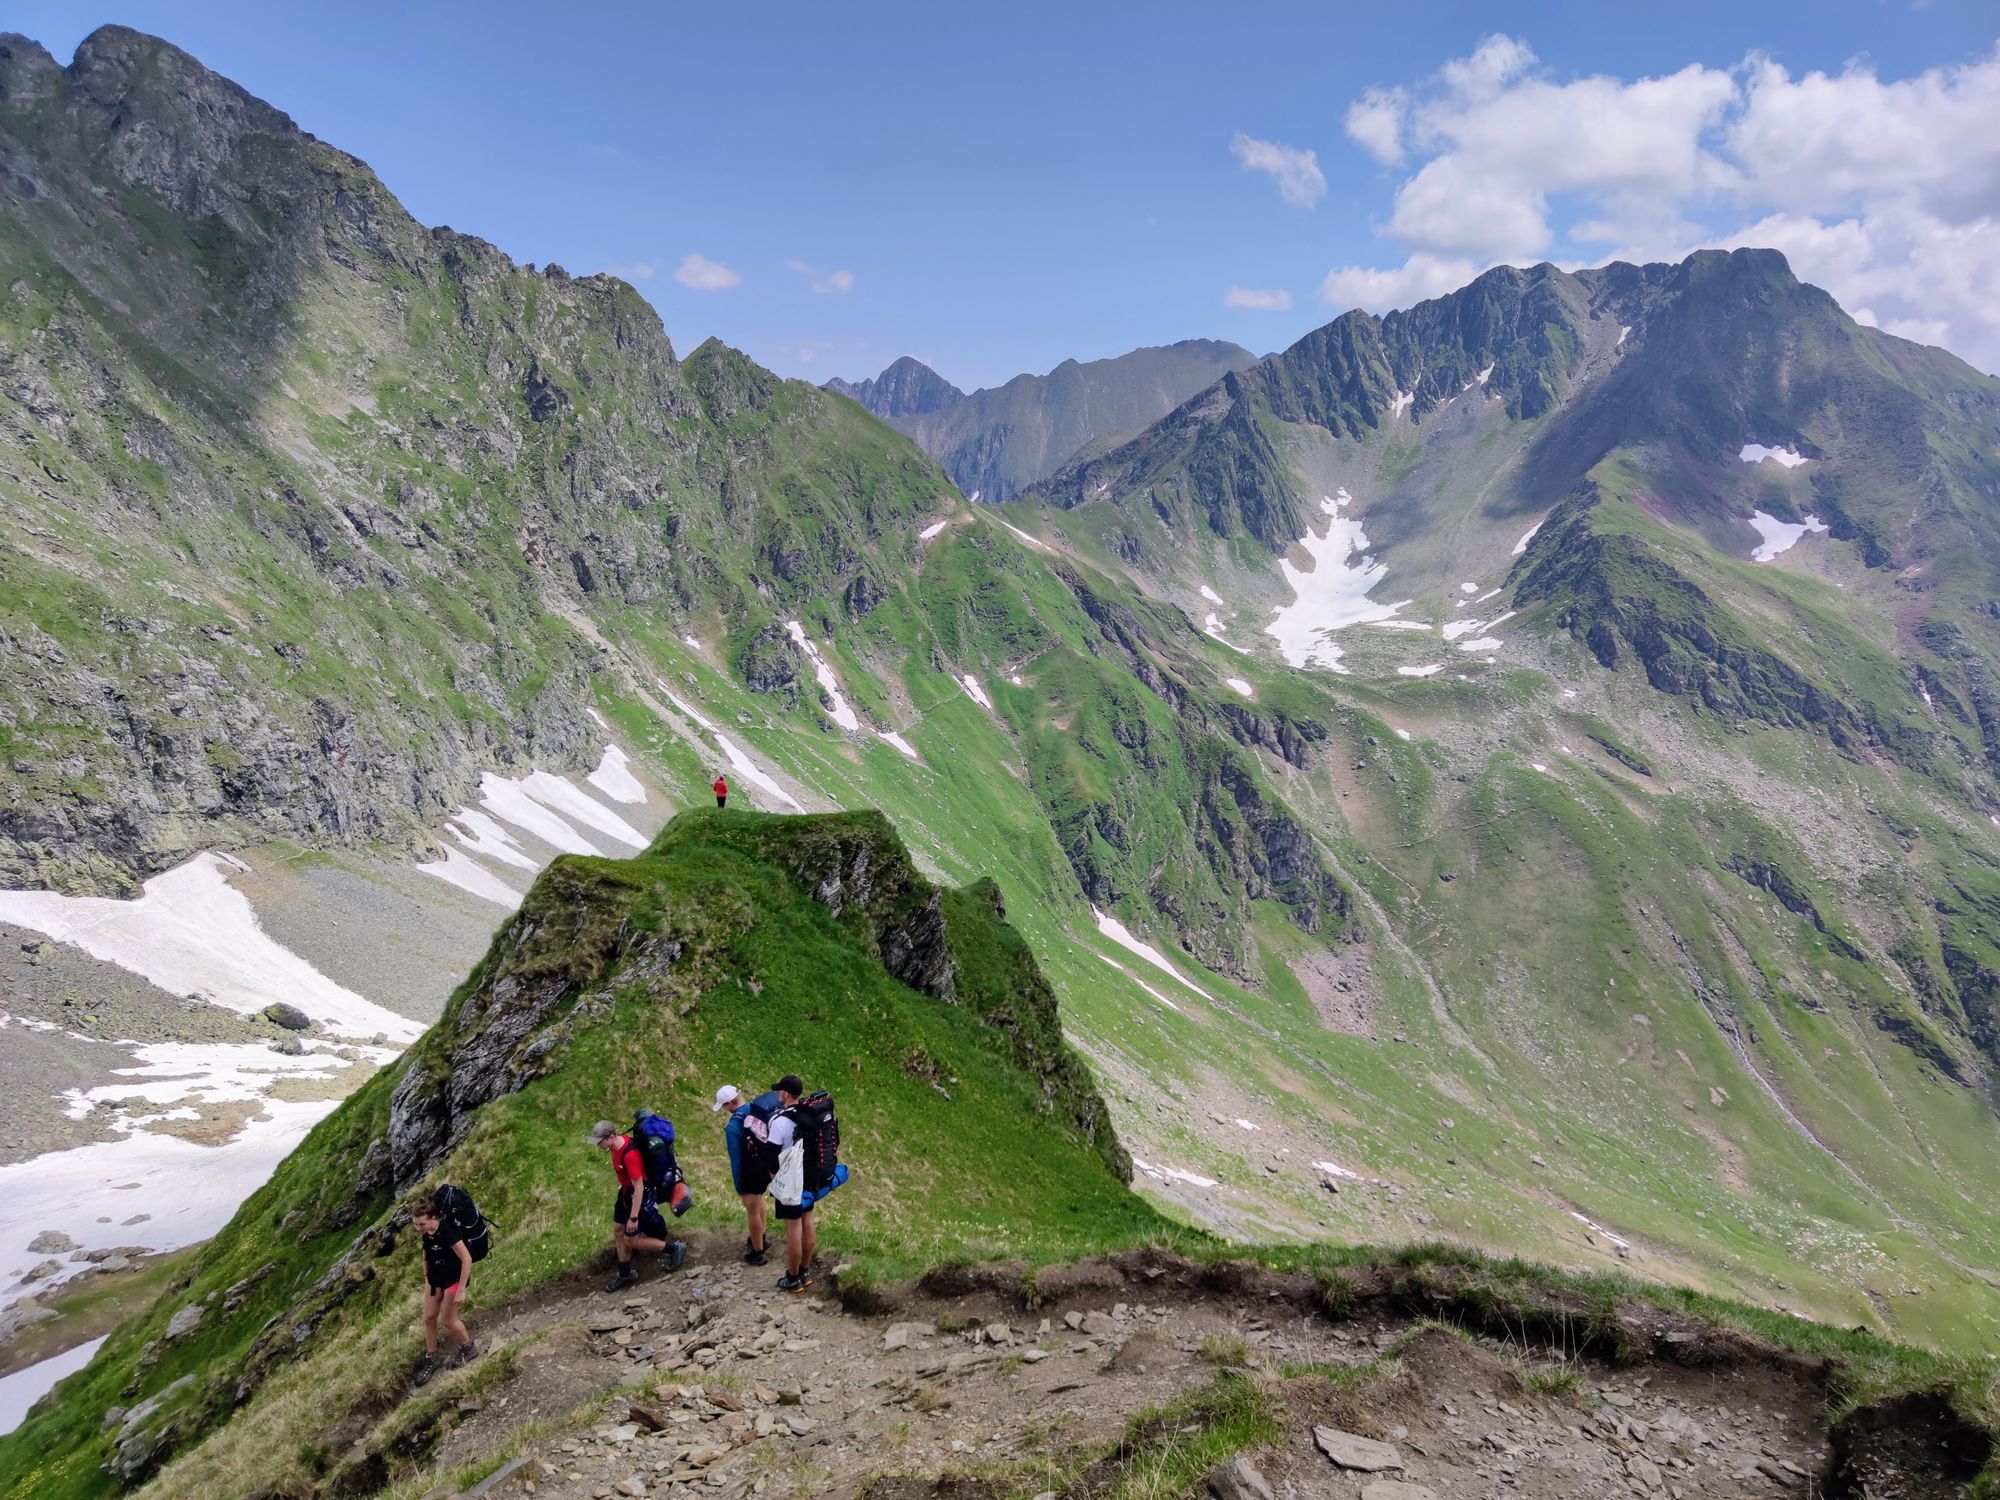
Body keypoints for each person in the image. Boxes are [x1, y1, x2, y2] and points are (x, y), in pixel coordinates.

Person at [591, 1119, 687, 1291]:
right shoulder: (614, 1148)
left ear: (611, 1136)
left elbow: (639, 1186)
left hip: (640, 1194)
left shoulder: (630, 1155)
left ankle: (674, 1249)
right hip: (626, 1192)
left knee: (631, 1237)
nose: (598, 1145)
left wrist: (634, 1217)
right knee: (618, 1229)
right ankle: (625, 1273)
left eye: (600, 1141)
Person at [409, 1192, 477, 1384]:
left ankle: (468, 1348)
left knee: (448, 1320)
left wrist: (462, 1289)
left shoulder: (448, 1231)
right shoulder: (426, 1234)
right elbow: (427, 1254)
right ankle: (432, 1357)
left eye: (421, 1224)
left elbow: (466, 1259)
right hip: (434, 1280)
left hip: (453, 1281)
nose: (418, 1228)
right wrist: (426, 1277)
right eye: (415, 1224)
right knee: (429, 1318)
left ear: (433, 1218)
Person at [713, 1083, 780, 1265]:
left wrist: (738, 1185)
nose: (725, 1110)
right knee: (759, 1202)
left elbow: (736, 1160)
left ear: (731, 1102)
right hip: (767, 1166)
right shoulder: (759, 1110)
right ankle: (762, 1238)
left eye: (724, 1106)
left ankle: (757, 1252)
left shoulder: (733, 1127)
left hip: (750, 1171)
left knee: (751, 1209)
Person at [765, 1076, 817, 1291]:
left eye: (780, 1091)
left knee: (794, 1230)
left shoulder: (780, 1122)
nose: (778, 1095)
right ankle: (805, 1271)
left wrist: (774, 1180)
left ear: (786, 1094)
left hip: (789, 1181)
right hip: (809, 1177)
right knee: (808, 1223)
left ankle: (792, 1277)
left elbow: (770, 1156)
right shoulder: (810, 1115)